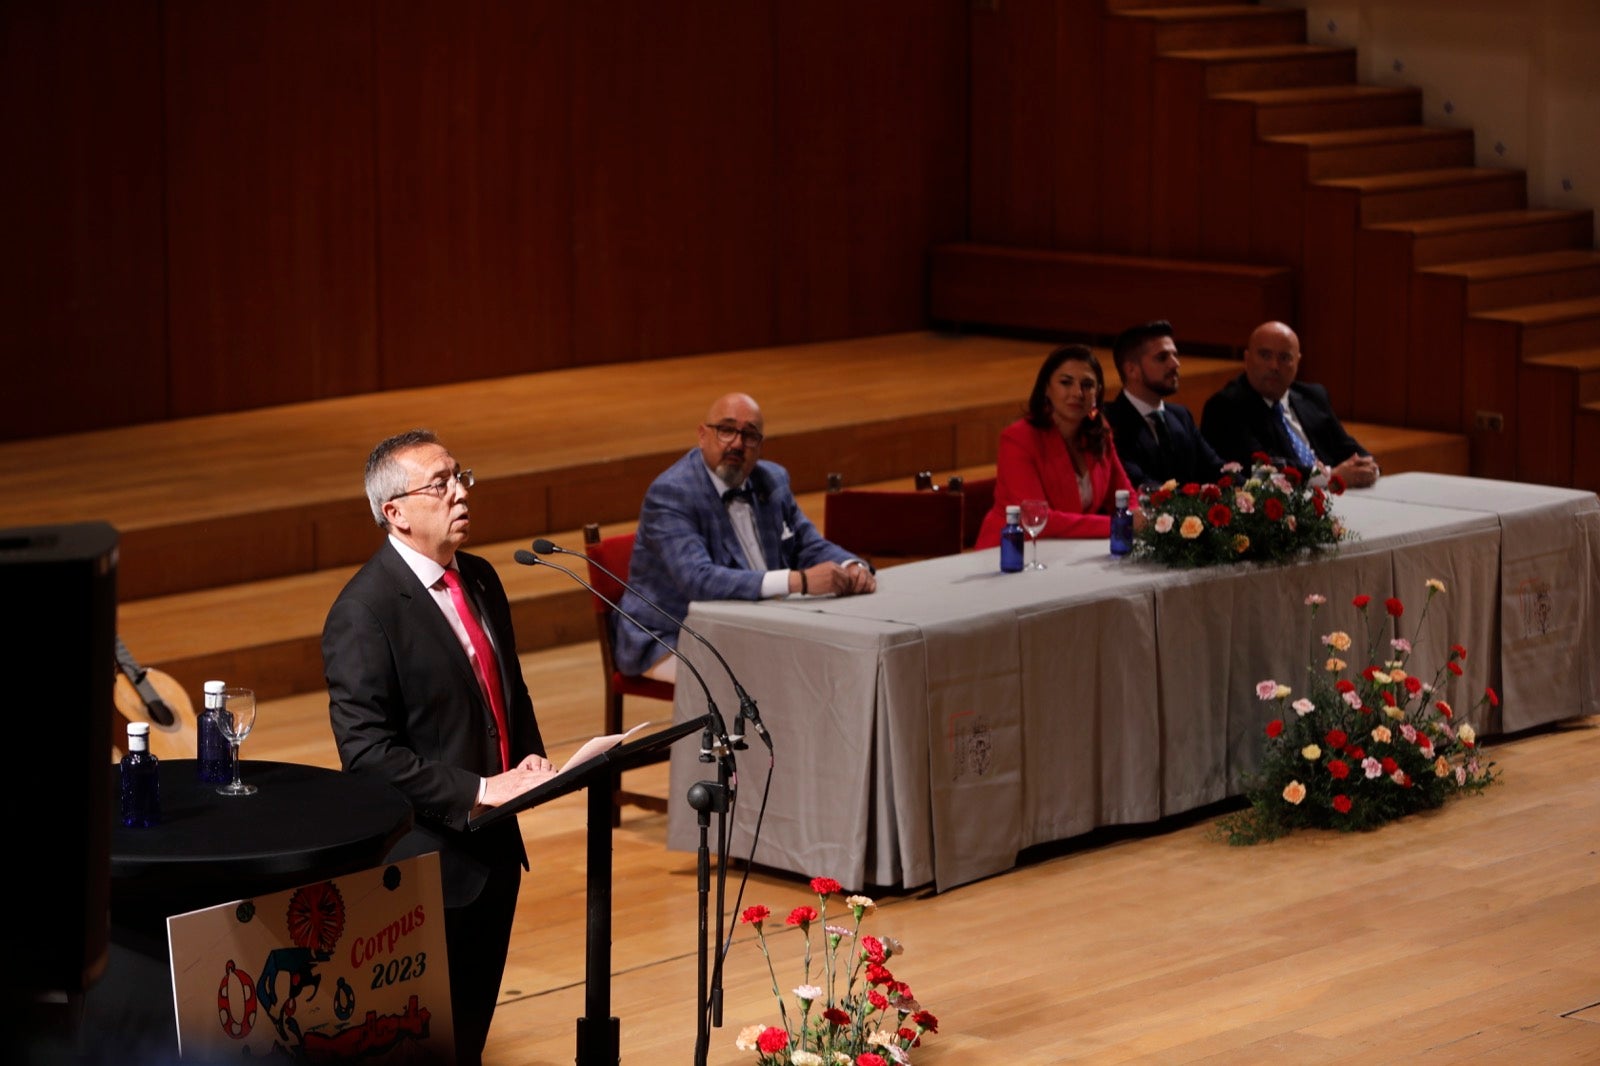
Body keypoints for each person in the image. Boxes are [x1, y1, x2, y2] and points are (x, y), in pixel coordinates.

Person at [322, 428, 559, 1065]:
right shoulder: (364, 612)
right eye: (440, 483)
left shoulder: (479, 577)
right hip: (429, 867)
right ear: (393, 513)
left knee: (471, 1037)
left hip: (498, 850)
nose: (459, 492)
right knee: (426, 1048)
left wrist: (527, 758)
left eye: (461, 477)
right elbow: (367, 756)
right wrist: (482, 789)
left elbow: (506, 689)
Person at [615, 392, 876, 681]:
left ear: (760, 445)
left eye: (749, 435)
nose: (737, 444)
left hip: (751, 627)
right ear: (703, 435)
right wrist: (798, 581)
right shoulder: (672, 493)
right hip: (671, 635)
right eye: (726, 430)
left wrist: (853, 566)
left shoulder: (772, 479)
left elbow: (807, 543)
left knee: (836, 660)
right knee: (763, 681)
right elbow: (698, 580)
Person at [973, 344, 1134, 547]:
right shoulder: (1018, 438)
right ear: (1046, 388)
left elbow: (1126, 496)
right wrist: (1119, 525)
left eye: (1087, 384)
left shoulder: (1100, 431)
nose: (1078, 393)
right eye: (1066, 382)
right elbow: (1039, 520)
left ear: (1097, 392)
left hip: (1069, 552)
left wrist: (1141, 518)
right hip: (1011, 552)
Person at [1201, 320, 1381, 488]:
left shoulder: (1313, 396)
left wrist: (1366, 464)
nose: (1274, 366)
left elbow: (1346, 446)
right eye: (1265, 355)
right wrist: (1330, 475)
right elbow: (1261, 469)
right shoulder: (1226, 407)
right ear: (1247, 359)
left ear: (1298, 362)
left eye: (1284, 357)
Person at [1104, 319, 1225, 488]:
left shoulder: (1181, 415)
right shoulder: (1108, 422)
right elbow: (1139, 484)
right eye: (1162, 357)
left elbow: (1217, 469)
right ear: (1131, 370)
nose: (1176, 364)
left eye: (1175, 355)